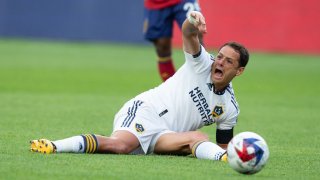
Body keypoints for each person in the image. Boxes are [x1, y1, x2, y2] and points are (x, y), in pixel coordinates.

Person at [30, 11, 249, 162]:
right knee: (120, 146)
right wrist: (192, 22)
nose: (219, 62)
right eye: (220, 56)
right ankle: (53, 145)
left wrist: (236, 156)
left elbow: (223, 146)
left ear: (239, 71)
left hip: (166, 135)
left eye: (228, 61)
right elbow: (188, 34)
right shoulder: (202, 63)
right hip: (146, 111)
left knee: (200, 138)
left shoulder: (229, 108)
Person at [143, 0, 203, 81]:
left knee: (194, 32)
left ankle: (203, 82)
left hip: (184, 1)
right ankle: (174, 89)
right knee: (162, 45)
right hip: (157, 3)